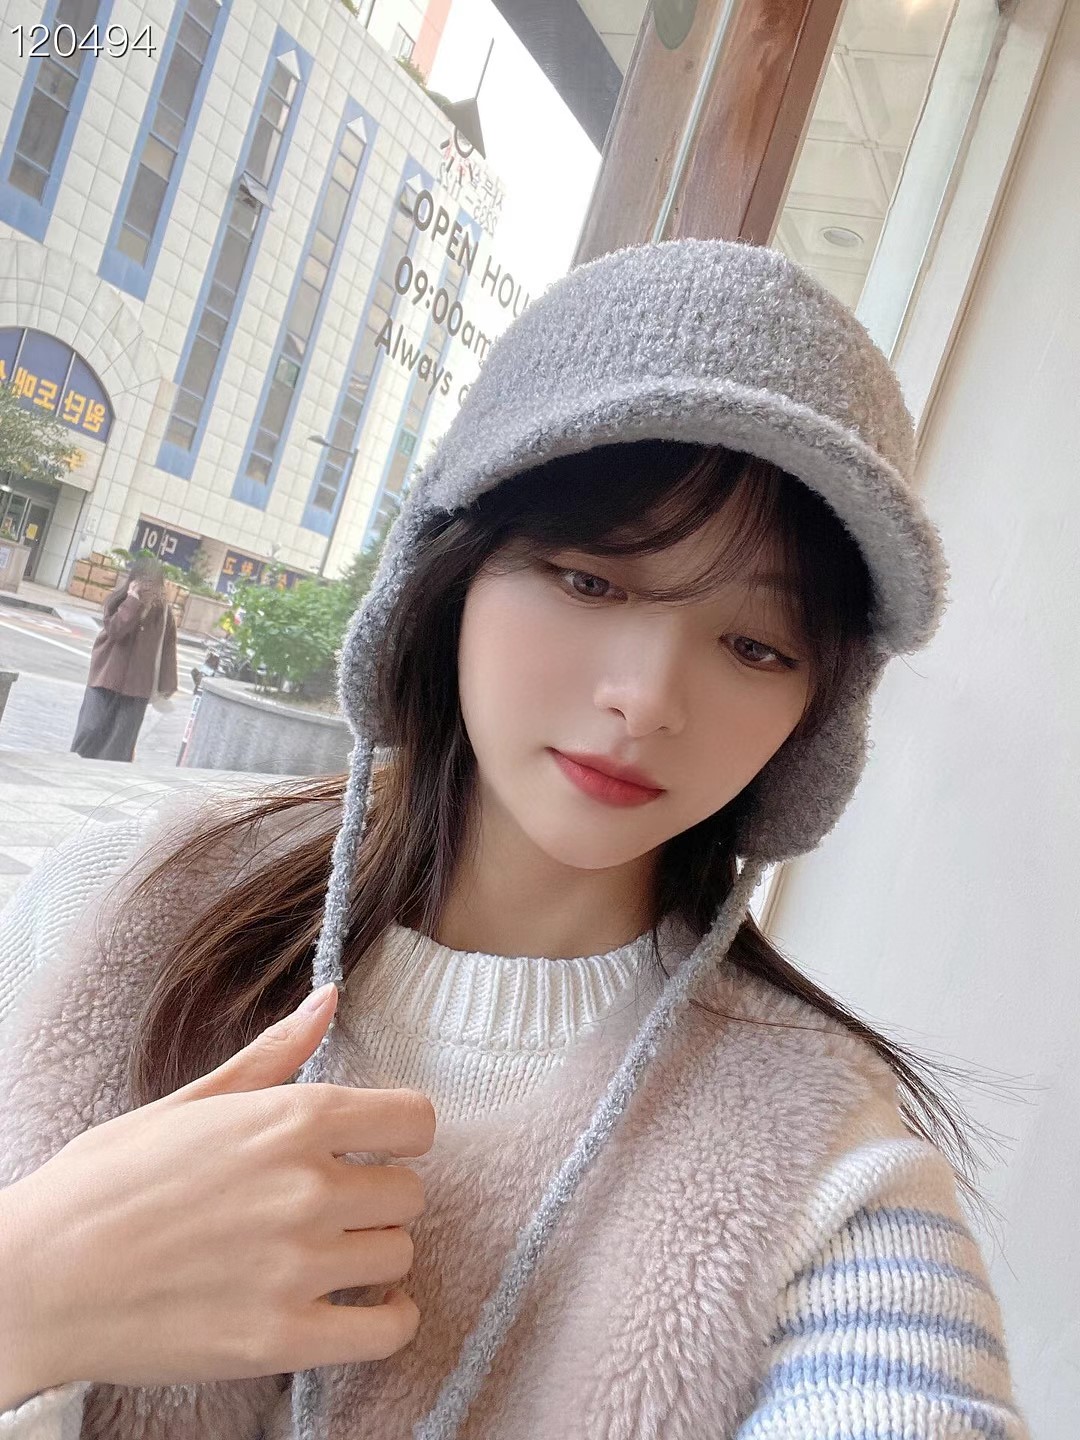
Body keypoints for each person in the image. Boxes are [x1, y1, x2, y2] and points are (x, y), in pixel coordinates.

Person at [0, 239, 1030, 1439]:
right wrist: (34, 1294)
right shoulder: (112, 908)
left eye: (757, 646)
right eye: (593, 581)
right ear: (450, 574)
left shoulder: (822, 1151)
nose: (647, 698)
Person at [70, 555, 179, 762]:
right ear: (134, 578)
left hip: (137, 688)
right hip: (105, 678)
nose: (147, 586)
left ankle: (104, 778)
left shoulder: (163, 612)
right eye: (143, 579)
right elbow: (115, 631)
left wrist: (167, 684)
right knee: (88, 732)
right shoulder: (120, 601)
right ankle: (73, 769)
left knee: (118, 747)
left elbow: (168, 649)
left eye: (152, 581)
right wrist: (132, 601)